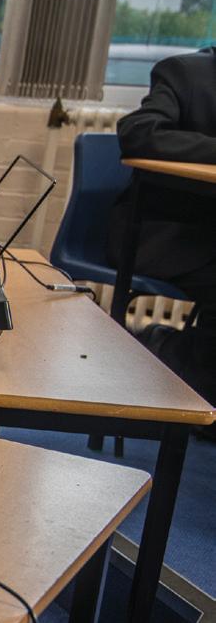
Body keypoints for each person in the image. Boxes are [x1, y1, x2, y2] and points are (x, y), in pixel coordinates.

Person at [110, 46, 216, 407]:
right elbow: (138, 133)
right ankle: (166, 350)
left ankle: (186, 361)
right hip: (165, 232)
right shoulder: (186, 72)